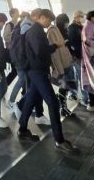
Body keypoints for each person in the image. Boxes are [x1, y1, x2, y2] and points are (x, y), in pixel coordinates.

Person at [17, 10, 79, 154]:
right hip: (37, 71)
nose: (49, 23)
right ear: (41, 17)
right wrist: (55, 45)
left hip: (38, 70)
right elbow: (40, 51)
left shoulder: (37, 30)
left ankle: (22, 129)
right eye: (48, 20)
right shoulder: (35, 31)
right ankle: (59, 140)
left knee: (31, 99)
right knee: (52, 102)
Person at [48, 14, 79, 116]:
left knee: (67, 84)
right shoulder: (53, 31)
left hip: (67, 60)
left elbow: (68, 45)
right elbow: (54, 52)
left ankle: (63, 105)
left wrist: (72, 55)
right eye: (66, 23)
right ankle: (63, 107)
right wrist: (57, 67)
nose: (67, 25)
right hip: (61, 63)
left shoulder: (63, 31)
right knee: (63, 85)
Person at [66, 10, 88, 105]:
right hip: (77, 55)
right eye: (81, 16)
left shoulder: (81, 27)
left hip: (82, 54)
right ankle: (83, 97)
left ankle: (76, 94)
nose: (83, 18)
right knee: (81, 76)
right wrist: (73, 54)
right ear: (76, 17)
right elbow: (71, 42)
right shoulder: (72, 28)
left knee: (80, 76)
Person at [3, 8, 19, 86]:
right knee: (15, 70)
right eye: (17, 12)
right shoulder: (9, 24)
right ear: (12, 14)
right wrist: (14, 37)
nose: (18, 14)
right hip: (12, 51)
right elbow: (6, 37)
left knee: (17, 71)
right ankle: (5, 84)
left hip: (18, 50)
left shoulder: (18, 23)